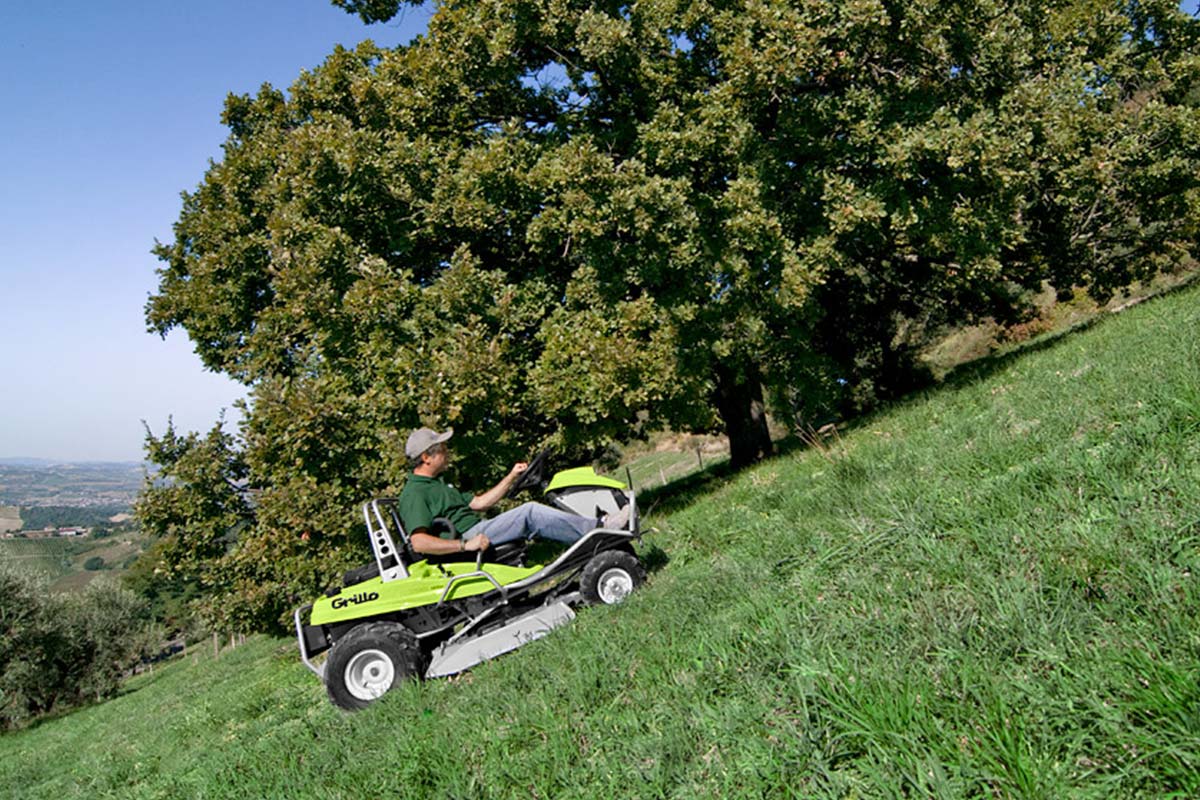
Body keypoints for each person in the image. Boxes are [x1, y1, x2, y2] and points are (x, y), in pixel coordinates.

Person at [398, 427, 631, 556]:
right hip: (468, 537)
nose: (447, 453)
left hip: (477, 528)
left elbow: (480, 504)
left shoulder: (437, 484)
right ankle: (600, 529)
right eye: (442, 450)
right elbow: (418, 542)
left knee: (528, 512)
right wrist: (464, 545)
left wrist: (511, 477)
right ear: (427, 457)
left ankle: (594, 531)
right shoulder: (414, 493)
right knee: (529, 513)